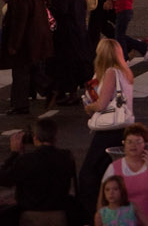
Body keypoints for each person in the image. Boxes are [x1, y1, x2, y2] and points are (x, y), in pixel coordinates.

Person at [79, 39, 135, 204]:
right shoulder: (125, 72)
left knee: (88, 173)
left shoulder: (111, 73)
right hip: (123, 127)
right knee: (105, 170)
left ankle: (91, 211)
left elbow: (102, 103)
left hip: (110, 130)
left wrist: (90, 108)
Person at [0, 116, 79, 225]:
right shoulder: (66, 157)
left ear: (35, 138)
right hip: (59, 215)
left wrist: (14, 154)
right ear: (55, 137)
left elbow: (4, 179)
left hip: (31, 216)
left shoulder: (26, 160)